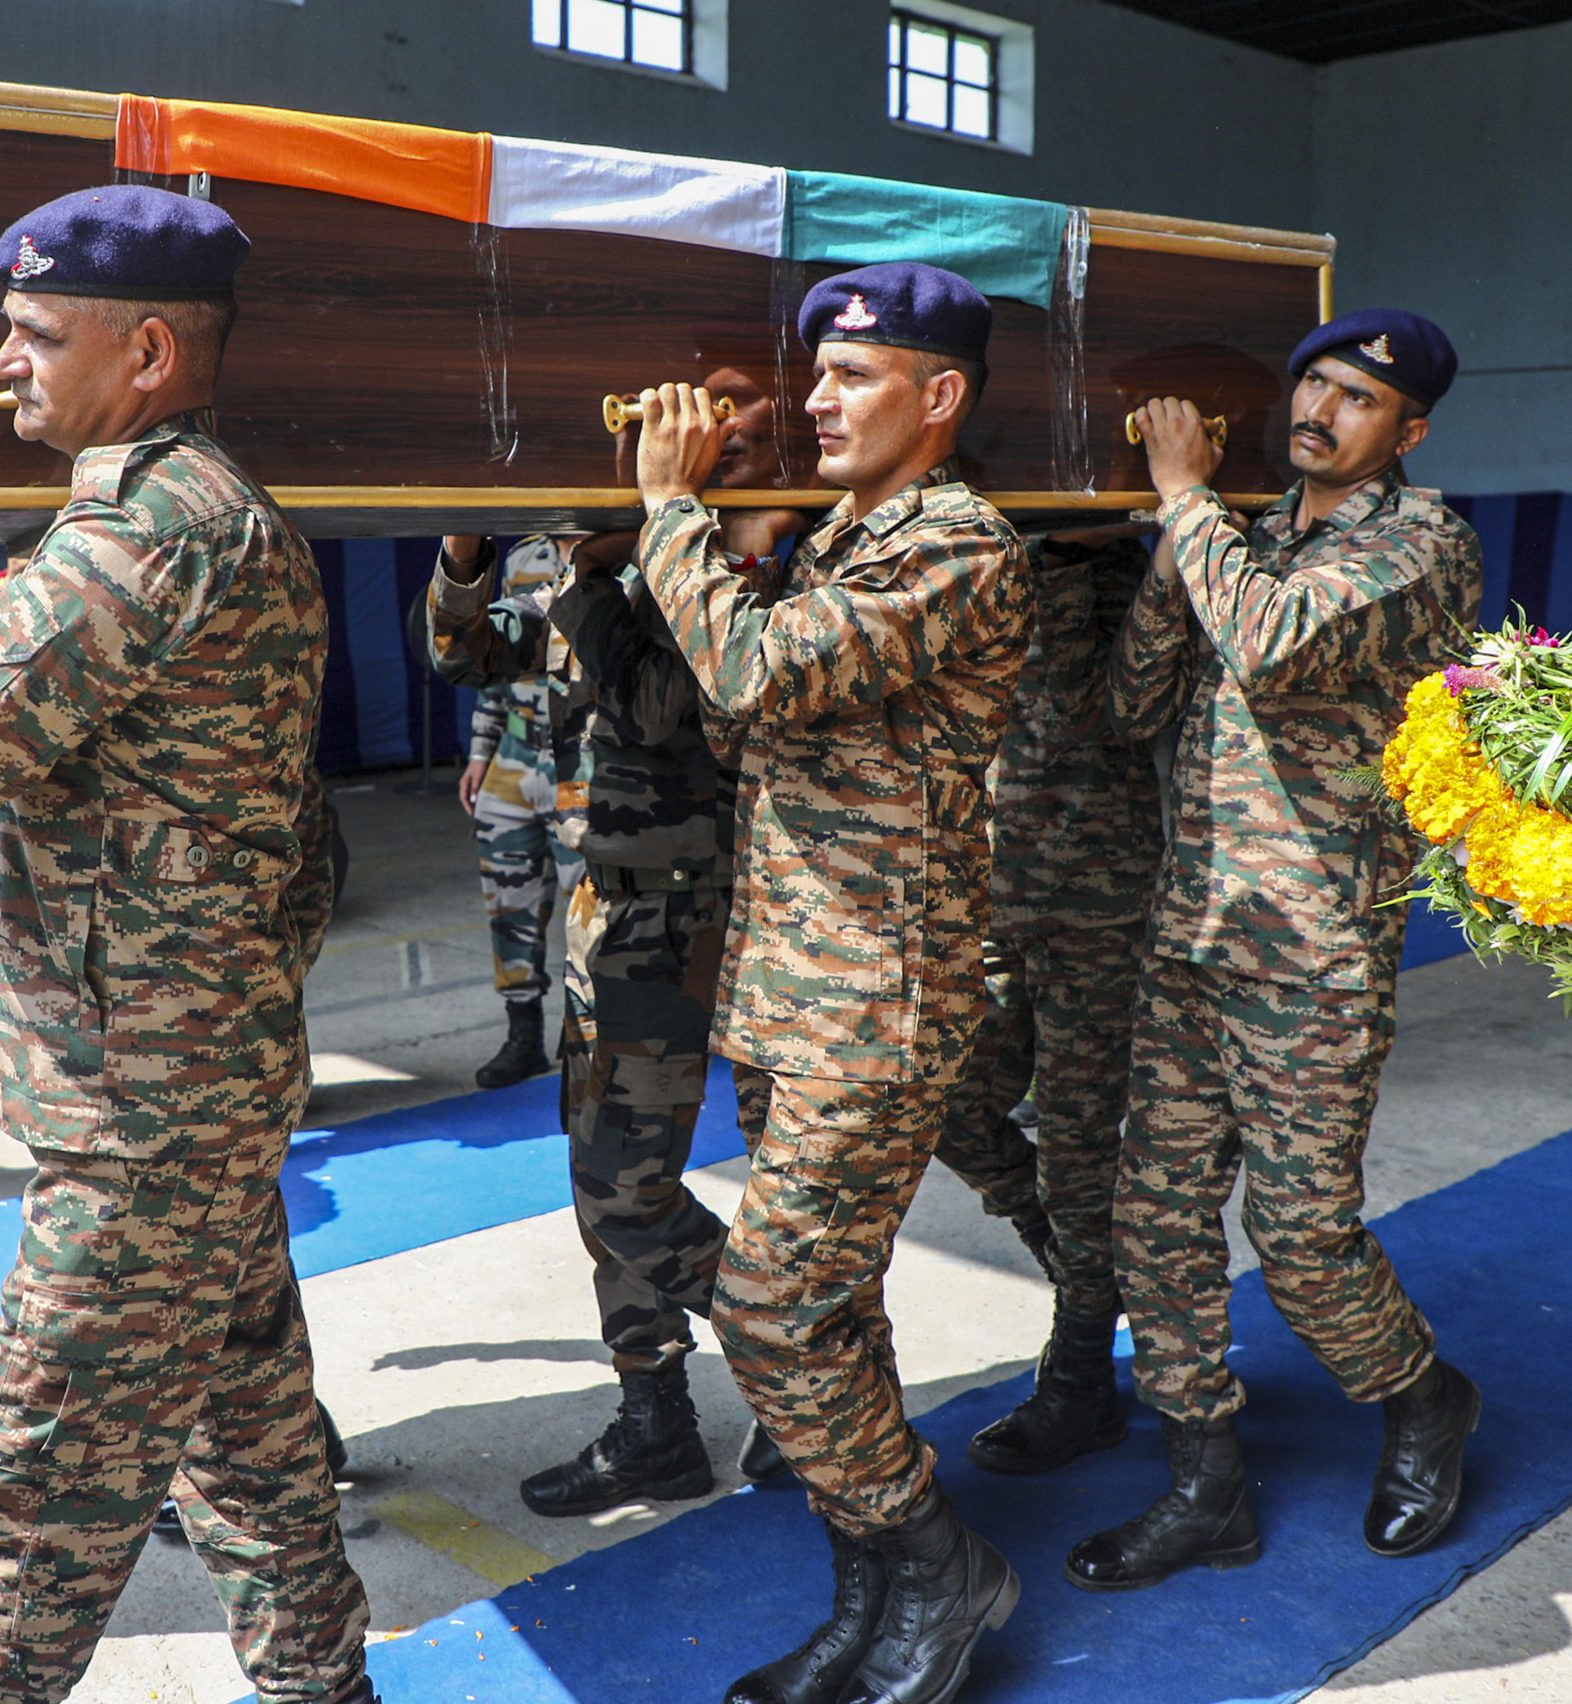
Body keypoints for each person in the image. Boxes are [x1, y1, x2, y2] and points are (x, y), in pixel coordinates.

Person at [0, 185, 372, 1704]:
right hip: (189, 1090)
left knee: (21, 1513)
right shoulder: (199, 513)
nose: (2, 361)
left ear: (147, 352)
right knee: (251, 1449)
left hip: (142, 1116)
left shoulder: (148, 530)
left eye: (35, 333)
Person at [631, 259, 1032, 1704]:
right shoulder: (844, 544)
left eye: (852, 375)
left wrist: (671, 512)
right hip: (797, 983)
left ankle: (939, 1566)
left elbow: (752, 680)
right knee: (838, 1306)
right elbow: (750, 728)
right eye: (815, 375)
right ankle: (873, 1592)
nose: (816, 400)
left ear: (941, 396)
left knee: (772, 1307)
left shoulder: (956, 545)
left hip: (877, 998)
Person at [1070, 310, 1485, 1594]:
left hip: (1311, 945)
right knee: (1154, 1218)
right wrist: (1176, 548)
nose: (1318, 408)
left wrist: (1185, 503)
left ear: (1407, 432)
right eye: (1312, 382)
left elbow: (1270, 642)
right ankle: (1203, 1484)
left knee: (1302, 1237)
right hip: (1192, 926)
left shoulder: (1420, 545)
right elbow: (1126, 704)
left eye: (1357, 397)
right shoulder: (1236, 537)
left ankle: (1421, 1396)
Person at [426, 512, 789, 1515]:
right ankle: (655, 1417)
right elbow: (465, 655)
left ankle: (808, 1368)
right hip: (607, 910)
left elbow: (661, 704)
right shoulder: (562, 567)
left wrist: (590, 580)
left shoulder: (702, 569)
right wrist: (464, 554)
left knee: (627, 1194)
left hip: (679, 912)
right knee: (603, 1185)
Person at [936, 527, 1165, 1477]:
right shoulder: (966, 551)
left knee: (1078, 1148)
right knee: (945, 1100)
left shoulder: (1124, 569)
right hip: (985, 885)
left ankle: (1080, 1374)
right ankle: (1084, 1275)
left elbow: (1115, 704)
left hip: (1094, 896)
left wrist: (1063, 557)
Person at [457, 535, 583, 1088]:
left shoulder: (623, 551)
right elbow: (495, 660)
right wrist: (480, 752)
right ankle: (523, 1034)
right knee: (509, 901)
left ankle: (584, 1035)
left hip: (584, 760)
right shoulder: (522, 558)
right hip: (514, 756)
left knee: (593, 910)